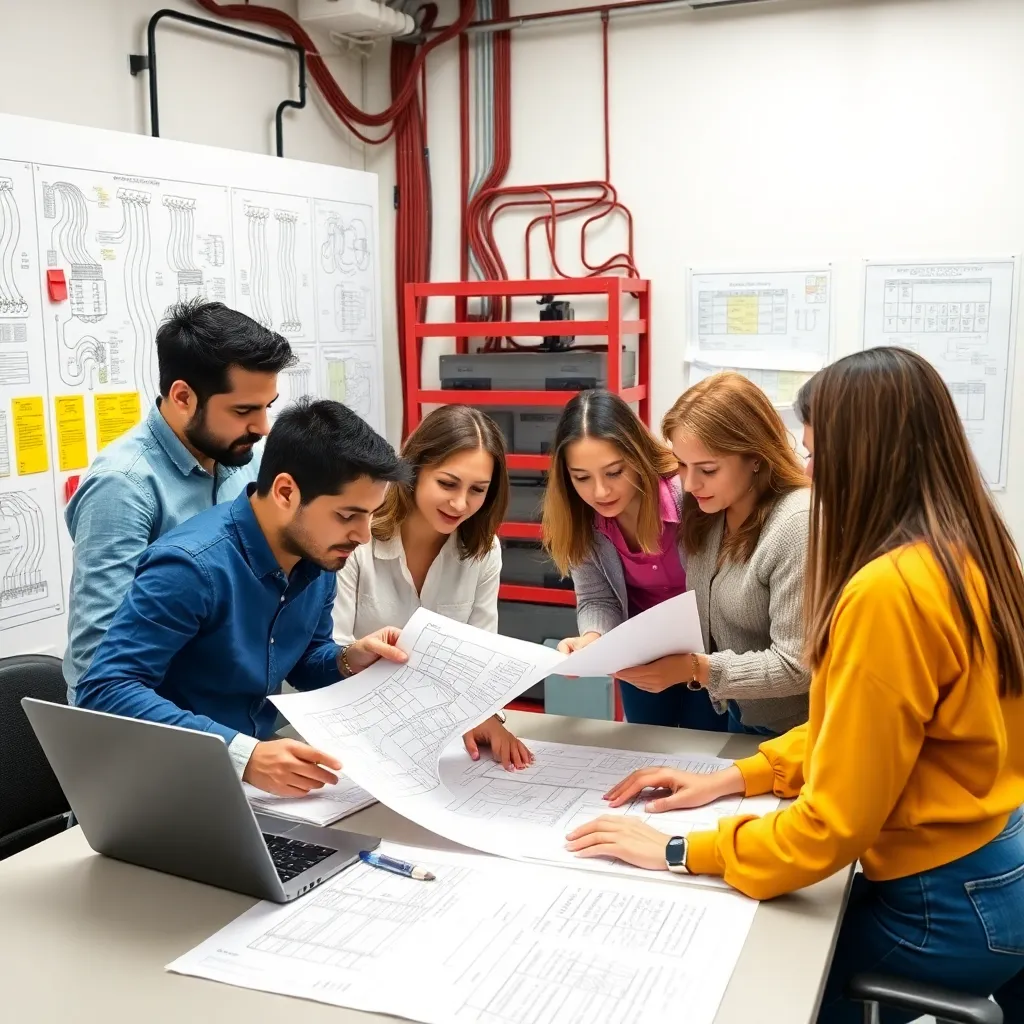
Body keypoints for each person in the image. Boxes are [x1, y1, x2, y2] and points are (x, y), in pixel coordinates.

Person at [565, 348, 1024, 1023]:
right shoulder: (972, 550)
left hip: (942, 903)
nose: (807, 473)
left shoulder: (888, 591)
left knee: (754, 988)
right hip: (997, 868)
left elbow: (830, 827)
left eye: (815, 455)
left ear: (863, 456)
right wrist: (738, 778)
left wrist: (677, 848)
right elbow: (866, 728)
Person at [76, 398, 411, 798]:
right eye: (347, 515)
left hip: (248, 791)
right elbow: (105, 689)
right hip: (159, 788)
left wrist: (347, 658)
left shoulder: (318, 557)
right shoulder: (191, 567)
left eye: (370, 515)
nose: (363, 535)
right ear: (286, 492)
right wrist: (243, 756)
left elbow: (303, 659)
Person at [63, 299, 295, 706]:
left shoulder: (247, 460)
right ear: (184, 396)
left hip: (234, 710)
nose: (262, 427)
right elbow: (98, 662)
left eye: (267, 407)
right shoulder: (122, 486)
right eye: (244, 410)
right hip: (156, 727)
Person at [333, 404, 532, 770]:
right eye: (447, 483)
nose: (460, 503)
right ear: (413, 470)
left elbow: (480, 659)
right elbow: (329, 652)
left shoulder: (484, 550)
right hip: (359, 727)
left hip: (441, 734)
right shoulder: (358, 536)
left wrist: (487, 716)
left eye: (478, 490)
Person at [619, 371, 811, 737]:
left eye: (707, 469)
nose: (689, 484)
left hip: (797, 732)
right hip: (740, 714)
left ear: (755, 457)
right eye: (681, 465)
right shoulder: (708, 510)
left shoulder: (796, 523)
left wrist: (695, 669)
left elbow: (796, 666)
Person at [543, 390, 723, 731]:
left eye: (614, 472)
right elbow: (598, 598)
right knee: (646, 750)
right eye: (581, 477)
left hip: (710, 655)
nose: (600, 492)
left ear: (637, 456)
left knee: (708, 755)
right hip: (640, 658)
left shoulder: (689, 496)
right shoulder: (581, 519)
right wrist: (592, 641)